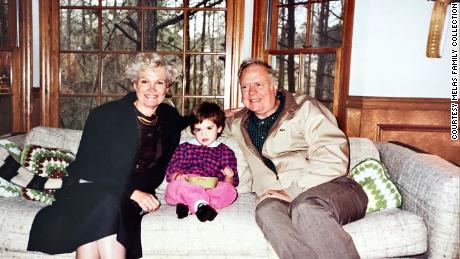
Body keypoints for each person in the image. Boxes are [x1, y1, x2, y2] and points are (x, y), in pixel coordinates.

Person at [27, 53, 188, 259]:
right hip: (90, 188)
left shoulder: (168, 116)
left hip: (123, 200)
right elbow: (88, 167)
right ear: (134, 83)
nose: (151, 89)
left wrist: (223, 114)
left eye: (159, 83)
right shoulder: (105, 115)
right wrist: (132, 192)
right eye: (145, 81)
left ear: (168, 87)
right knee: (105, 204)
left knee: (104, 213)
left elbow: (189, 121)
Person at [224, 59, 368, 259]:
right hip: (278, 196)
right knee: (266, 210)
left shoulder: (306, 108)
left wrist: (292, 191)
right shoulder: (238, 122)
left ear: (274, 86)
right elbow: (196, 127)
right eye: (245, 86)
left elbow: (333, 157)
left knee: (305, 208)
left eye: (258, 84)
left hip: (334, 187)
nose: (251, 92)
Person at [164, 101, 239, 222]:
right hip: (188, 184)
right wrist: (178, 176)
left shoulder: (225, 151)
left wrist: (229, 176)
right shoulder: (184, 148)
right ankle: (201, 206)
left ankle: (190, 206)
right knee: (174, 187)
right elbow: (171, 172)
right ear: (193, 131)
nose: (203, 133)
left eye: (209, 128)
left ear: (219, 128)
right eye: (198, 130)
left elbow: (231, 183)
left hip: (211, 188)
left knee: (230, 192)